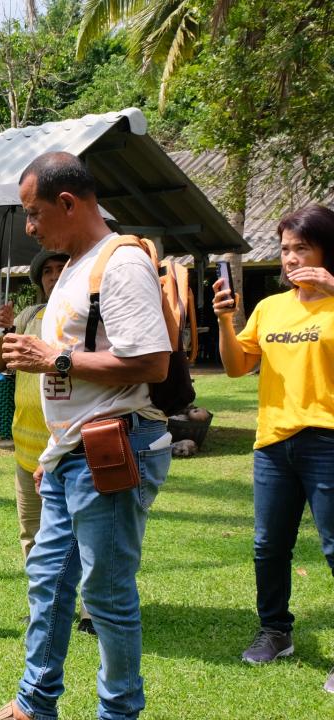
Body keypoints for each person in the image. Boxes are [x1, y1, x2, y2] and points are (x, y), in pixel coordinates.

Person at [0, 152, 173, 720]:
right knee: (49, 587)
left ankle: (119, 713)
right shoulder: (73, 268)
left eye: (34, 214)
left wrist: (52, 358)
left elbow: (151, 363)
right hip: (69, 456)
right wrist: (55, 453)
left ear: (67, 203)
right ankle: (32, 706)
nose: (30, 227)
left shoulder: (119, 261)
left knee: (105, 597)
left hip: (112, 449)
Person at [213, 204, 334, 694]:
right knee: (268, 547)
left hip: (328, 440)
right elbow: (237, 367)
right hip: (273, 444)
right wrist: (224, 320)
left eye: (300, 248)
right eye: (285, 249)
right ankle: (275, 632)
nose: (289, 259)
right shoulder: (269, 309)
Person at [0, 250, 95, 634]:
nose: (53, 275)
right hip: (27, 447)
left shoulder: (86, 315)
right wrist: (3, 331)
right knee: (32, 533)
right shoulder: (29, 318)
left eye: (60, 267)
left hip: (71, 447)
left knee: (81, 531)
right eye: (45, 270)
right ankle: (44, 605)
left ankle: (90, 612)